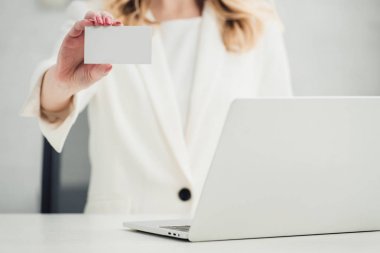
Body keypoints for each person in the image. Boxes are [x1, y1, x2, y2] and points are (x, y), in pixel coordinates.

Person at [21, 0, 293, 216]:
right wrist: (62, 81)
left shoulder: (255, 20)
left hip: (222, 229)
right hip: (122, 234)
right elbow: (53, 103)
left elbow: (279, 133)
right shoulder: (104, 16)